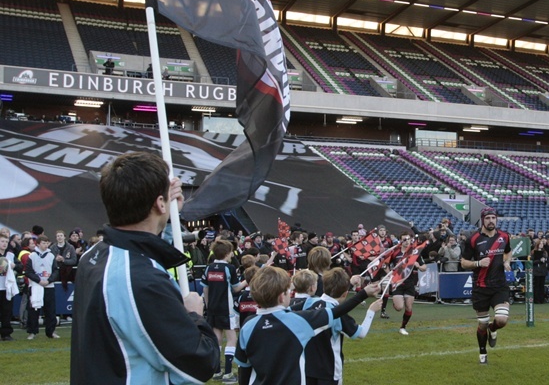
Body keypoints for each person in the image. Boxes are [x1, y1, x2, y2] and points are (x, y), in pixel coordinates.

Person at [71, 151, 219, 384]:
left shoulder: (95, 254)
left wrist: (167, 215)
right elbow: (198, 363)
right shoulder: (140, 279)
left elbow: (140, 243)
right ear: (160, 203)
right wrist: (194, 315)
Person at [234, 266, 380, 384]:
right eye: (288, 291)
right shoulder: (298, 321)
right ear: (281, 296)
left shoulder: (248, 326)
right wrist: (363, 294)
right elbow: (336, 312)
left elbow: (244, 368)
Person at [305, 267, 381, 384]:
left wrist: (349, 283)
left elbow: (335, 296)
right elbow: (361, 333)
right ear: (346, 293)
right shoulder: (338, 315)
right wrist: (371, 311)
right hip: (329, 372)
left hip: (307, 369)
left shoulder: (309, 303)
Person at [461, 207, 512, 365]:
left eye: (493, 218)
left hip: (499, 286)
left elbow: (508, 251)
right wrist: (477, 263)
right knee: (482, 324)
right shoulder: (473, 239)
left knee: (502, 320)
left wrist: (507, 261)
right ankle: (482, 353)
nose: (491, 221)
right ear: (482, 219)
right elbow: (463, 263)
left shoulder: (504, 236)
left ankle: (494, 328)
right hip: (480, 287)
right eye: (488, 218)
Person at [202, 239, 247, 383]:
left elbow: (205, 288)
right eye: (231, 253)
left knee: (217, 339)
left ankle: (216, 371)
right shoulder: (229, 268)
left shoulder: (209, 268)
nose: (232, 256)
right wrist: (247, 280)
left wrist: (208, 306)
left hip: (213, 308)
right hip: (226, 308)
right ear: (227, 253)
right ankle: (228, 373)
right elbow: (236, 288)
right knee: (232, 339)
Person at [390, 233, 426, 335]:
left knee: (409, 307)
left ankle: (403, 327)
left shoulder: (415, 254)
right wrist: (390, 275)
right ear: (400, 241)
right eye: (404, 240)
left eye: (408, 240)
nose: (407, 242)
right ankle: (395, 303)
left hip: (410, 283)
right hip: (398, 282)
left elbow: (424, 268)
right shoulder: (395, 253)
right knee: (399, 307)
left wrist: (418, 266)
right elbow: (385, 265)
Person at [24, 235, 60, 340]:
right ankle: (32, 332)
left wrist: (49, 280)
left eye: (47, 243)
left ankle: (51, 331)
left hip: (49, 286)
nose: (45, 245)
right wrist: (39, 280)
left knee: (50, 310)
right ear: (38, 244)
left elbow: (55, 271)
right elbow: (28, 271)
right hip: (35, 286)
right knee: (34, 309)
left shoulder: (51, 256)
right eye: (43, 243)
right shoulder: (32, 256)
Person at [0, 233, 19, 341]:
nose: (4, 244)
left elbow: (20, 266)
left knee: (6, 312)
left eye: (6, 242)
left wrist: (14, 265)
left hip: (6, 288)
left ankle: (6, 334)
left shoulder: (10, 255)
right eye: (2, 241)